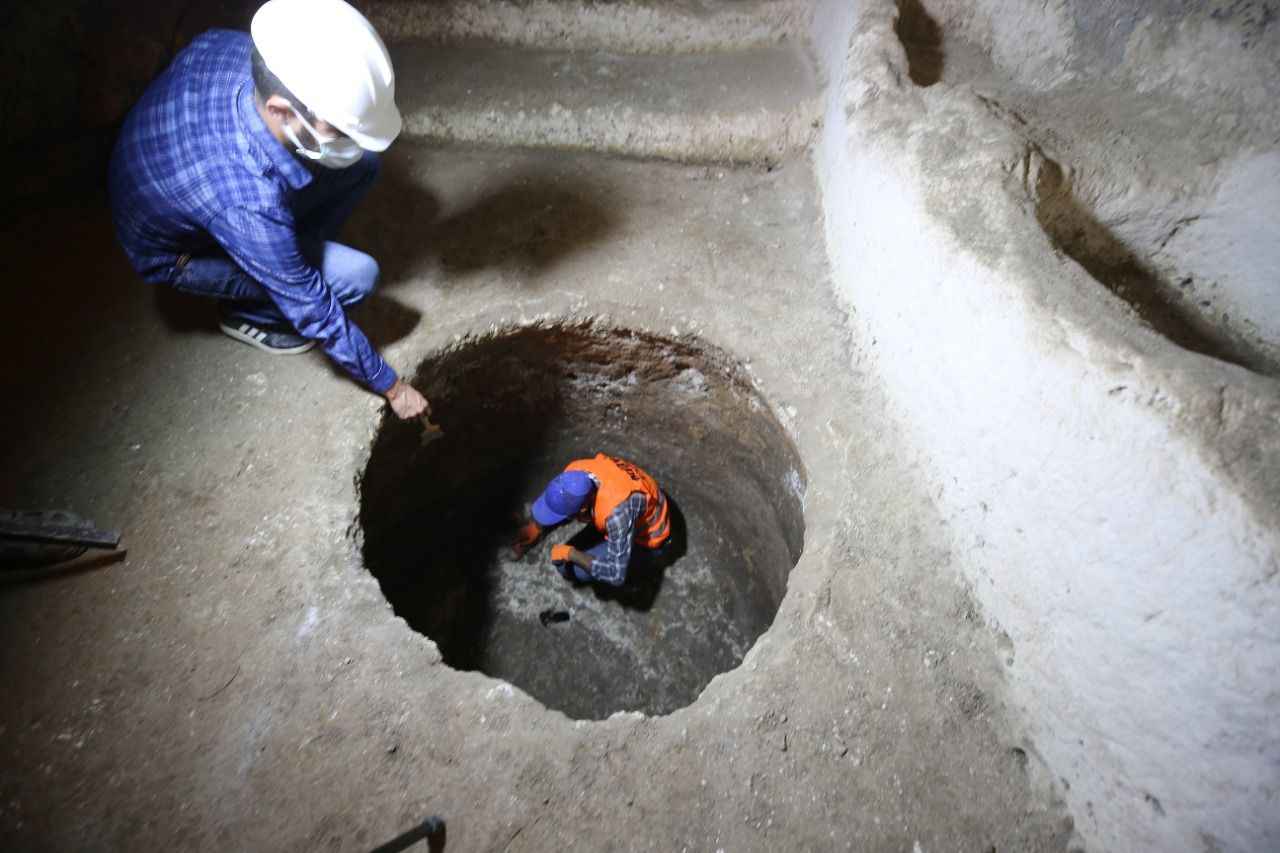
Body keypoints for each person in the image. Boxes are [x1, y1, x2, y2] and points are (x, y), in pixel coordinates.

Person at [107, 0, 429, 419]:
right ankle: (252, 316)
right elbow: (313, 308)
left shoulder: (249, 50)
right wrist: (392, 386)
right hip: (179, 253)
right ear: (278, 109)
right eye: (338, 127)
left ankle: (285, 255)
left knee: (361, 164)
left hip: (176, 174)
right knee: (357, 276)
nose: (346, 137)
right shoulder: (246, 197)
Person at [513, 453, 672, 587]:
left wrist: (571, 554)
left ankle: (644, 567)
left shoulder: (616, 514)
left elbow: (615, 574)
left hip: (649, 538)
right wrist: (537, 526)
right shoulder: (575, 472)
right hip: (627, 509)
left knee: (570, 567)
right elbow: (562, 500)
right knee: (581, 545)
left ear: (583, 509)